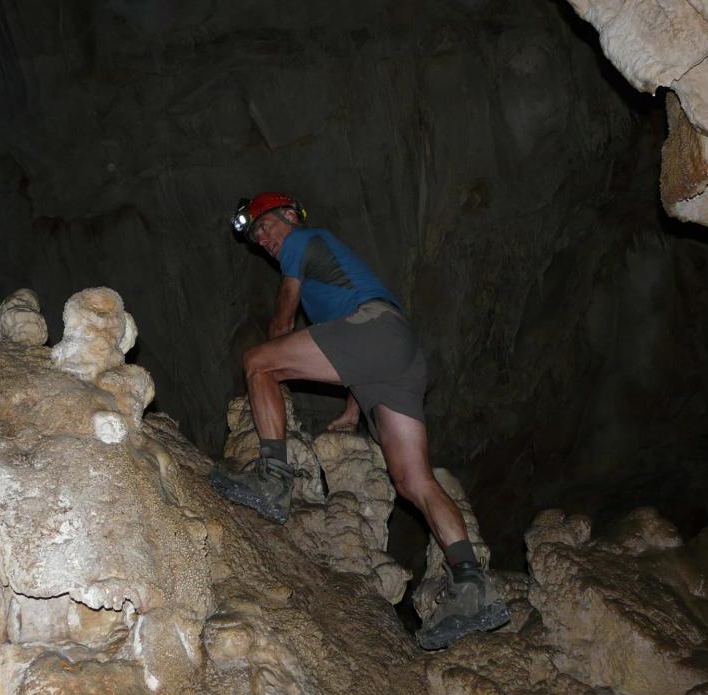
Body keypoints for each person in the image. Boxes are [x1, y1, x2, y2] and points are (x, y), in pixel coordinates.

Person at [209, 191, 509, 649]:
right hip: (398, 356)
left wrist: (269, 367)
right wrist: (352, 411)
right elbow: (351, 349)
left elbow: (283, 322)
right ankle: (471, 582)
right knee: (415, 482)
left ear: (289, 215)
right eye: (255, 237)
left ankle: (272, 474)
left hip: (375, 332)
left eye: (265, 226)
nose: (263, 239)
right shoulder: (330, 283)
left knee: (257, 361)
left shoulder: (302, 241)